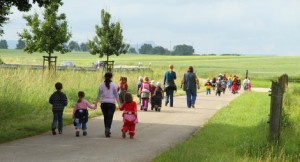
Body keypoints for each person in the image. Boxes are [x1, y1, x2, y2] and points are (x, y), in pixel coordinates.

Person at [95, 72, 121, 138]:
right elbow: (116, 95)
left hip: (103, 104)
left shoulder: (101, 85)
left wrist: (96, 103)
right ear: (111, 77)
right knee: (110, 117)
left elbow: (99, 95)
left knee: (106, 117)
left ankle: (106, 129)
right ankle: (107, 129)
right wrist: (119, 104)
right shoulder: (114, 85)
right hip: (111, 103)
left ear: (105, 77)